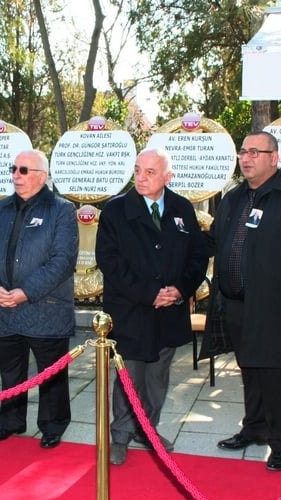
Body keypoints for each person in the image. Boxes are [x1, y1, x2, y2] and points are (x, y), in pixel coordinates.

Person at [209, 131, 281, 472]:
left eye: (255, 152)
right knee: (251, 371)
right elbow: (215, 241)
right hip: (238, 306)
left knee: (279, 377)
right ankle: (255, 428)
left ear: (274, 158)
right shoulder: (234, 198)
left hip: (280, 309)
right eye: (243, 152)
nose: (246, 159)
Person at [96, 147, 208, 465]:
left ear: (167, 177)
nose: (141, 178)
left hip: (170, 310)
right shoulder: (116, 210)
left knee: (157, 376)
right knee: (129, 376)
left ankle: (148, 429)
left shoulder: (181, 208)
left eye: (150, 172)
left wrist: (180, 289)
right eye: (137, 170)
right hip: (131, 309)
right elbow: (110, 261)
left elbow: (197, 255)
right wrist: (149, 293)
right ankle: (121, 435)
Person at [0, 149, 78, 449]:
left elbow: (62, 261)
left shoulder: (61, 210)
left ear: (42, 176)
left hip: (45, 308)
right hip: (4, 307)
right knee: (10, 372)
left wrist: (25, 292)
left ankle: (52, 426)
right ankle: (11, 422)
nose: (16, 175)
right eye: (13, 169)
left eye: (23, 170)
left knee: (51, 375)